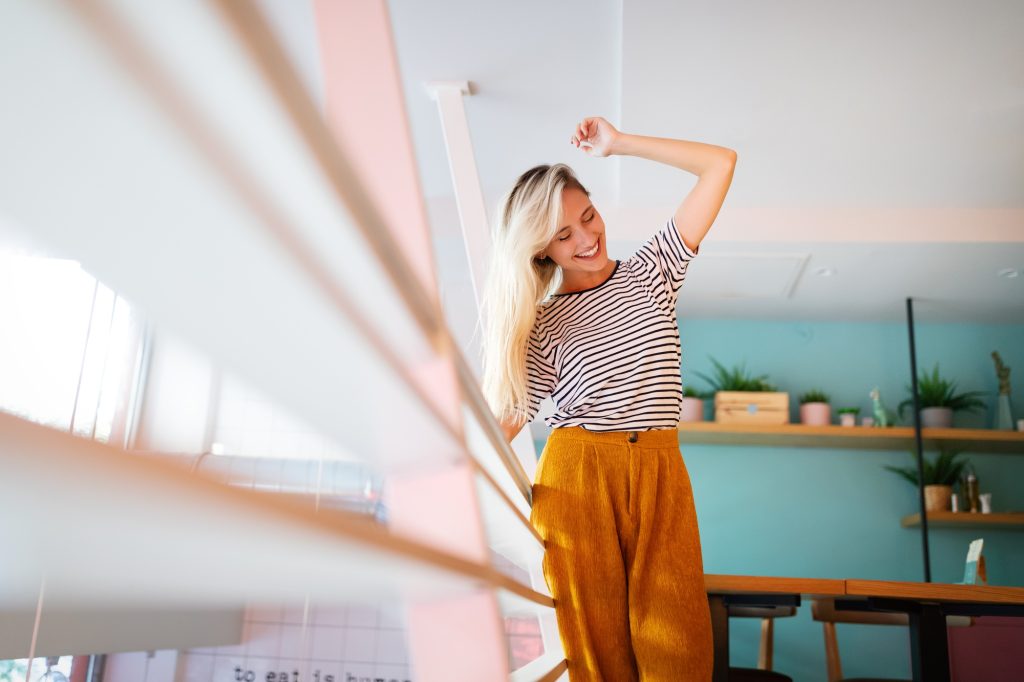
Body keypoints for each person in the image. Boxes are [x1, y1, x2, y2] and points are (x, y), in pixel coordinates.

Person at [481, 116, 736, 680]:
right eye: (563, 234)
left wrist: (620, 144)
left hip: (659, 467)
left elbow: (721, 164)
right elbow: (501, 425)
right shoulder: (542, 325)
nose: (586, 238)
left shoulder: (652, 272)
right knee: (596, 652)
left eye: (587, 216)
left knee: (679, 646)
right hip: (578, 476)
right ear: (541, 249)